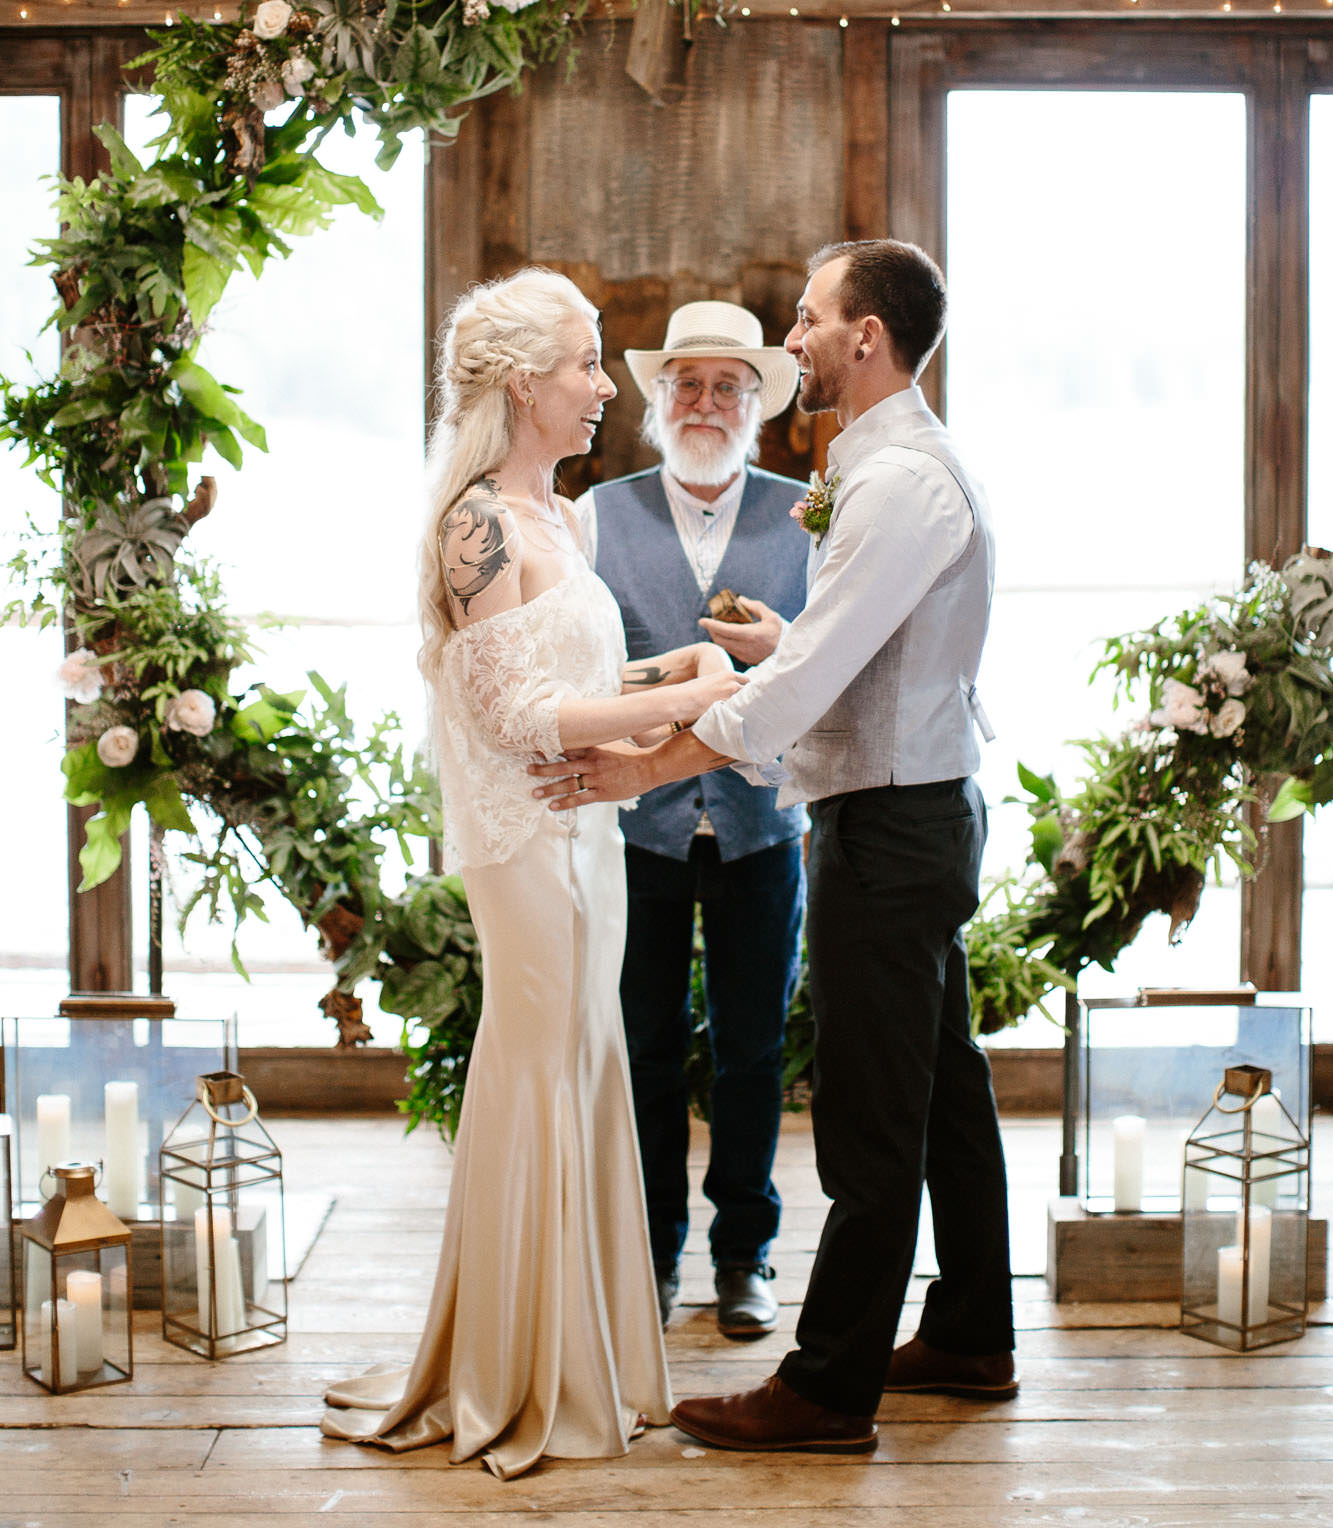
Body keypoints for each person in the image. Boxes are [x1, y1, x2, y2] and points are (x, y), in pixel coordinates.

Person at [530, 239, 1015, 1455]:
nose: (790, 339)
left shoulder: (900, 482)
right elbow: (846, 653)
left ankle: (828, 1384)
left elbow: (801, 696)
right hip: (907, 805)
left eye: (806, 318)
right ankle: (968, 1329)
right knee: (946, 1086)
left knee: (868, 1112)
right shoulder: (884, 467)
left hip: (889, 823)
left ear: (866, 335)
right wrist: (776, 650)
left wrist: (651, 760)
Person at [322, 269, 740, 1480]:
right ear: (522, 382)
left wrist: (680, 668)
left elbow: (577, 669)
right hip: (527, 842)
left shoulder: (554, 514)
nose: (605, 384)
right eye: (586, 362)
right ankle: (517, 1369)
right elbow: (515, 711)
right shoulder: (476, 525)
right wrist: (700, 696)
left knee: (588, 1063)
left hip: (589, 840)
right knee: (540, 1064)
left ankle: (588, 1353)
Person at [574, 301, 808, 1340]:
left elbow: (828, 670)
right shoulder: (593, 514)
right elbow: (572, 670)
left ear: (759, 404)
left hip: (764, 827)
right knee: (645, 1042)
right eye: (687, 383)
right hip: (638, 831)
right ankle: (654, 1246)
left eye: (728, 385)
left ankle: (743, 1251)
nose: (705, 402)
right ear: (656, 396)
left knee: (754, 1047)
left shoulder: (812, 514)